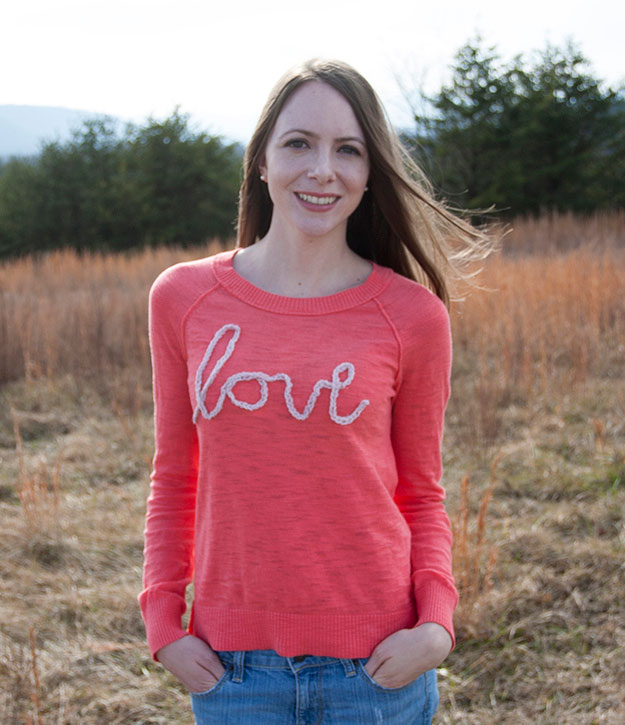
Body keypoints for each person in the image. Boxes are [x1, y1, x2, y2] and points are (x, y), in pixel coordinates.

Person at [139, 58, 492, 724]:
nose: (322, 168)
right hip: (233, 672)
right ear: (262, 162)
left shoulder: (410, 315)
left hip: (379, 666)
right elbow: (174, 477)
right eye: (299, 142)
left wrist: (436, 626)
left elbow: (421, 491)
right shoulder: (184, 299)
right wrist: (163, 622)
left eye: (347, 150)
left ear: (368, 173)